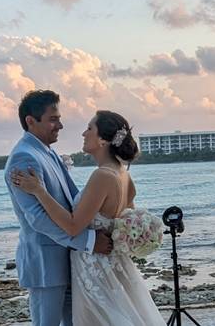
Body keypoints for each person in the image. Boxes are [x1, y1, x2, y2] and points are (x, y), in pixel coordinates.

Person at [12, 110, 166, 326]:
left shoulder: (102, 175)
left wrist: (40, 192)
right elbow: (124, 218)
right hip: (111, 266)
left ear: (103, 139)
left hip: (95, 269)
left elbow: (73, 226)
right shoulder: (124, 175)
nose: (84, 133)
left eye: (90, 128)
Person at [4, 90, 113, 326]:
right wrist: (89, 241)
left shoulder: (47, 152)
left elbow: (74, 200)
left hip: (71, 261)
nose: (60, 126)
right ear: (30, 122)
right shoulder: (24, 158)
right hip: (46, 265)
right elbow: (38, 219)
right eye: (53, 119)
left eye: (59, 118)